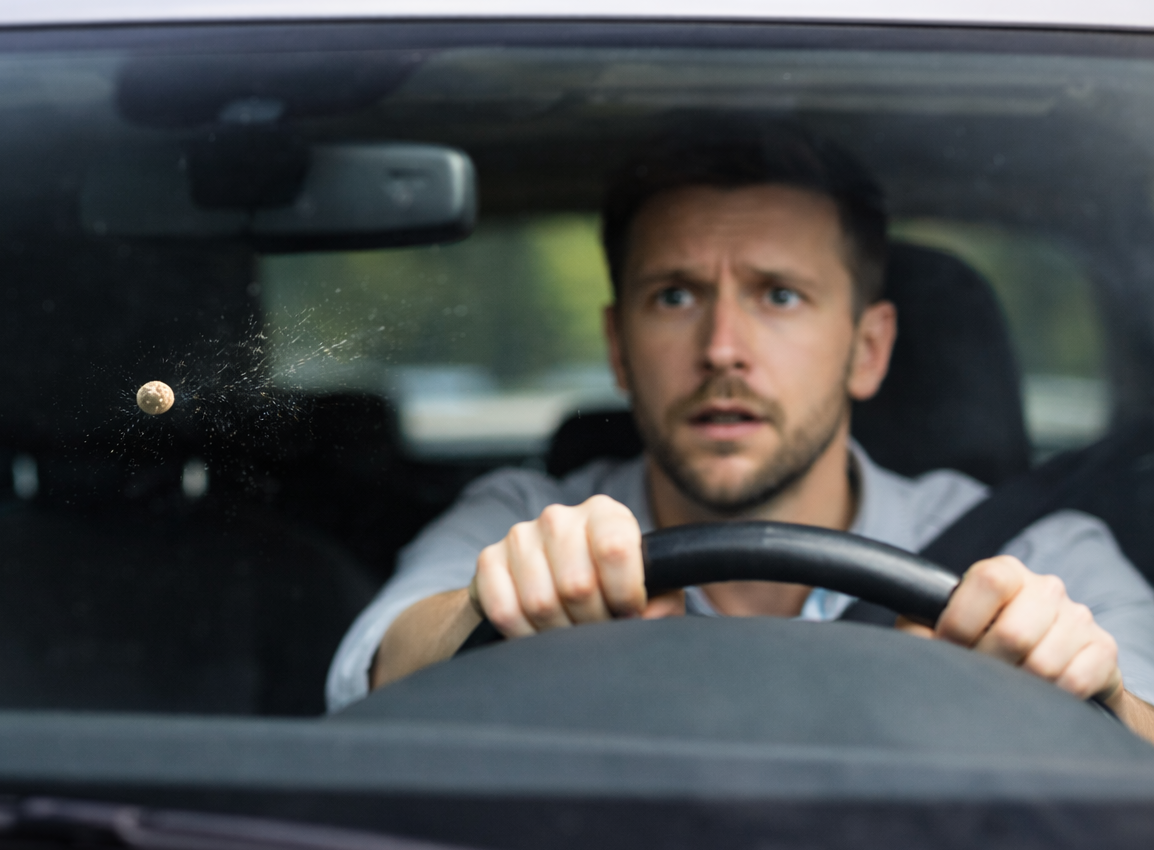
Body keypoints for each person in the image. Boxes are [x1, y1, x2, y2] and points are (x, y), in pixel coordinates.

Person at [325, 115, 1154, 741]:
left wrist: (1095, 693)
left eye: (779, 296)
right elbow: (376, 667)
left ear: (867, 350)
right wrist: (494, 610)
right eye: (675, 297)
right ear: (619, 348)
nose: (723, 350)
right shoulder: (525, 519)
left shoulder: (1037, 552)